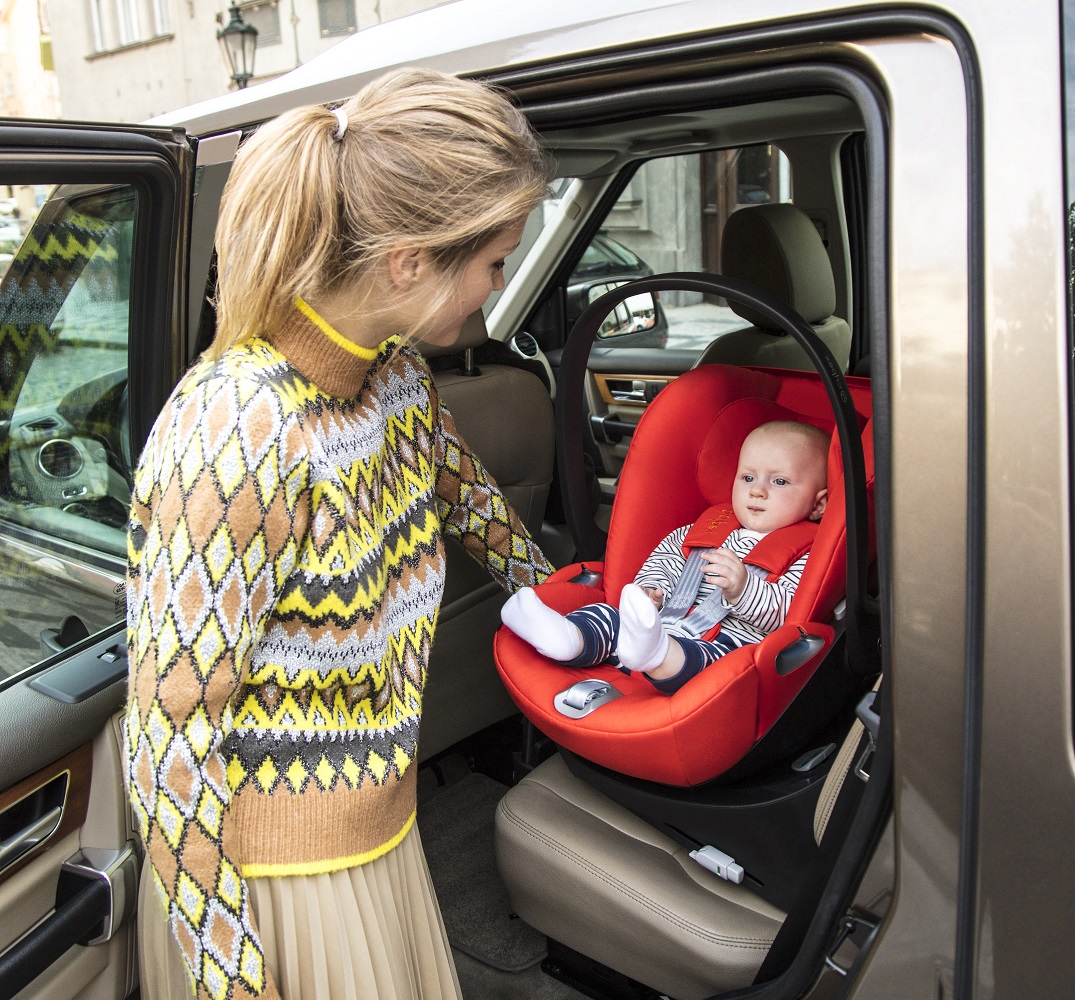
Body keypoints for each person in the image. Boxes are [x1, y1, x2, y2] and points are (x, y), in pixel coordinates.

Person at [123, 68, 553, 1000]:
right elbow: (166, 747)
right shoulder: (235, 432)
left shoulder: (390, 373)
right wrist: (236, 983)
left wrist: (566, 608)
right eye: (493, 263)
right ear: (408, 261)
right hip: (272, 896)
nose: (497, 290)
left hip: (381, 836)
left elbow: (468, 498)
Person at [501, 420, 828, 694]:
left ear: (818, 505)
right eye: (748, 477)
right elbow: (665, 561)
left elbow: (787, 612)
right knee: (608, 614)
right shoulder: (703, 530)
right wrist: (652, 589)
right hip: (660, 623)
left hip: (727, 644)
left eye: (780, 481)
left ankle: (657, 656)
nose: (757, 490)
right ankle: (568, 638)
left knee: (721, 667)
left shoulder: (807, 553)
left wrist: (743, 590)